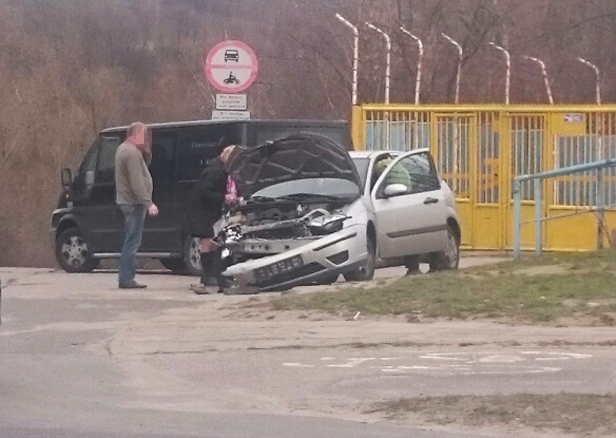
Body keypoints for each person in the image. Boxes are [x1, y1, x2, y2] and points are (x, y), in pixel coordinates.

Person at [115, 122, 159, 289]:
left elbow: (143, 169)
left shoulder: (125, 150)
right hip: (133, 203)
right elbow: (137, 181)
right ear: (135, 134)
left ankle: (126, 277)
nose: (146, 138)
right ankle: (126, 278)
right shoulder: (131, 153)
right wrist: (148, 203)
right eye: (144, 135)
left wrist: (146, 152)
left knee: (130, 239)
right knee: (132, 241)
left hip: (129, 201)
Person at [188, 145, 236, 294]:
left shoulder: (219, 168)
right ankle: (207, 275)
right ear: (225, 155)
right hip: (204, 212)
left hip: (209, 211)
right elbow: (204, 191)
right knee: (208, 242)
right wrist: (224, 197)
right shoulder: (213, 171)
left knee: (211, 242)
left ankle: (210, 275)